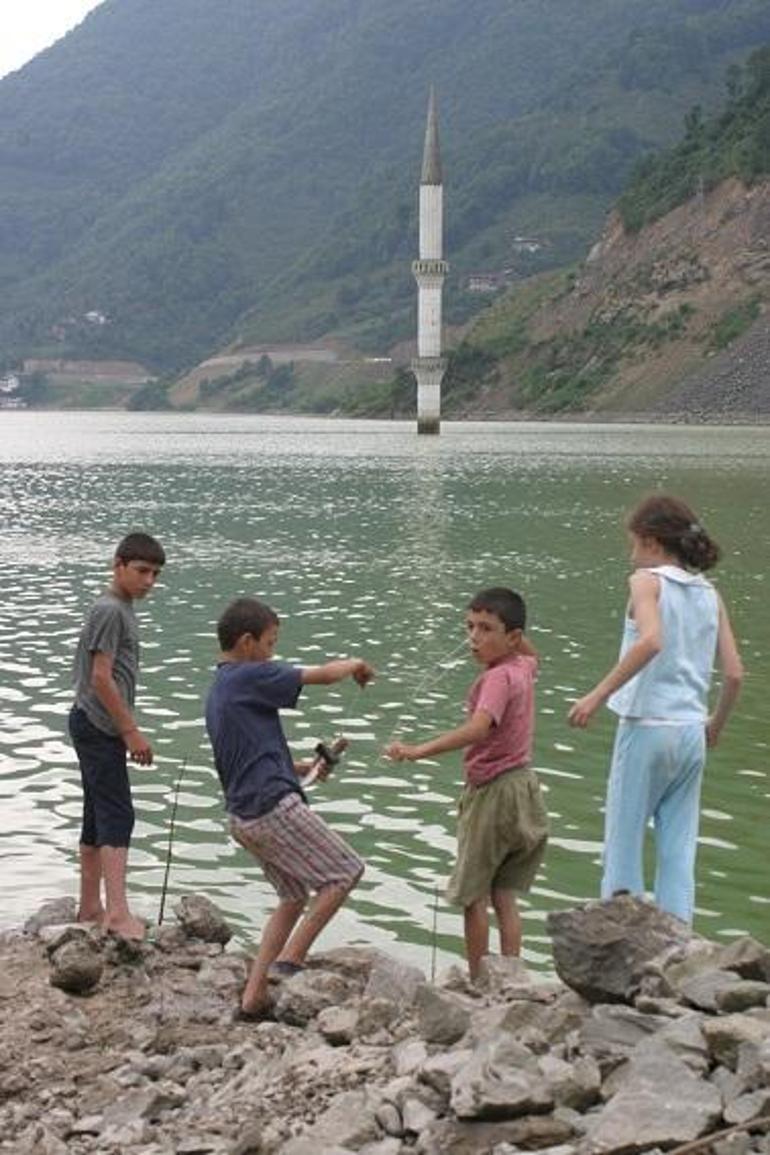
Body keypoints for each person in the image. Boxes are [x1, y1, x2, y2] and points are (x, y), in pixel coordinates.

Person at [568, 494, 743, 925]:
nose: (631, 554)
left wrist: (598, 694)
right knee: (679, 849)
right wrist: (715, 725)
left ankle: (617, 941)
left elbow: (651, 640)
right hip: (690, 731)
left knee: (623, 843)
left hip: (646, 727)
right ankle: (679, 948)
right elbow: (735, 673)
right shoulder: (708, 592)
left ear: (650, 541)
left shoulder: (647, 581)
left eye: (633, 543)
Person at [204, 596, 375, 1018]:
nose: (272, 654)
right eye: (270, 643)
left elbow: (250, 757)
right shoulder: (248, 675)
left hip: (243, 816)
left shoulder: (222, 688)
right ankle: (290, 960)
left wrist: (305, 767)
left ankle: (254, 997)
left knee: (292, 897)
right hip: (270, 809)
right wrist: (355, 664)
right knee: (345, 872)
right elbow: (319, 675)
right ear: (247, 642)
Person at [385, 587, 548, 980]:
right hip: (524, 788)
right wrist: (505, 624)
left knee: (474, 896)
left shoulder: (496, 679)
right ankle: (510, 978)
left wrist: (417, 751)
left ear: (512, 636)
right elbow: (531, 653)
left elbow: (478, 729)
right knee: (504, 894)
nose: (473, 638)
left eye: (486, 629)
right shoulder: (523, 667)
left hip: (492, 793)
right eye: (470, 627)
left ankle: (478, 981)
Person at [69, 531, 166, 940]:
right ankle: (117, 915)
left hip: (93, 724)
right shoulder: (110, 609)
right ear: (119, 565)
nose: (149, 581)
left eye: (156, 574)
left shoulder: (121, 608)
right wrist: (130, 731)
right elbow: (101, 678)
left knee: (96, 815)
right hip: (98, 724)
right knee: (117, 815)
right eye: (142, 571)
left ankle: (90, 907)